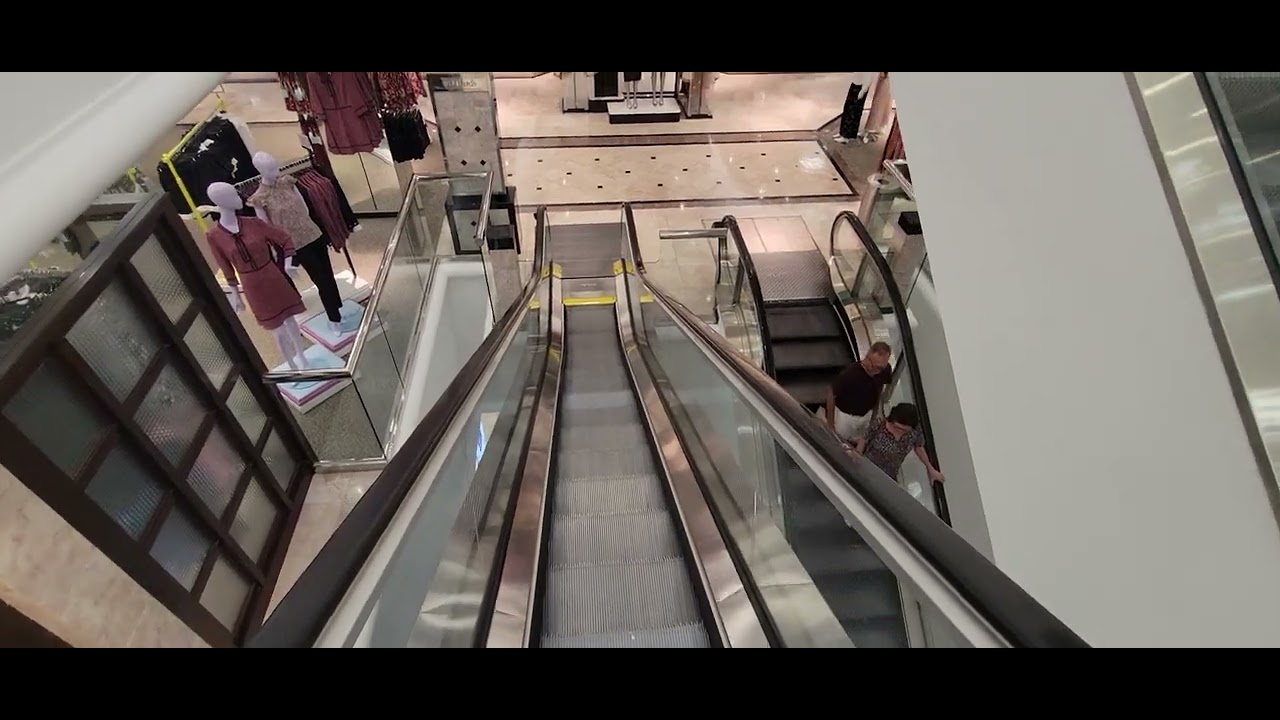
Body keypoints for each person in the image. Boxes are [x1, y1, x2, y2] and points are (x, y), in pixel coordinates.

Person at [852, 403, 944, 484]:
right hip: (869, 465)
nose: (900, 432)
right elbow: (864, 438)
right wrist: (857, 456)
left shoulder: (915, 430)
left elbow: (918, 447)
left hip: (890, 474)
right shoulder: (879, 424)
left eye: (904, 430)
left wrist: (930, 468)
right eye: (897, 427)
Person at [823, 341, 893, 442]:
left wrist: (874, 415)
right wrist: (830, 424)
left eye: (882, 368)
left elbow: (879, 388)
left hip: (865, 415)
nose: (878, 371)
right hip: (845, 416)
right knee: (837, 440)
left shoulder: (884, 371)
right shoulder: (851, 373)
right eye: (876, 367)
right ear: (868, 357)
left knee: (859, 440)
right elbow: (831, 393)